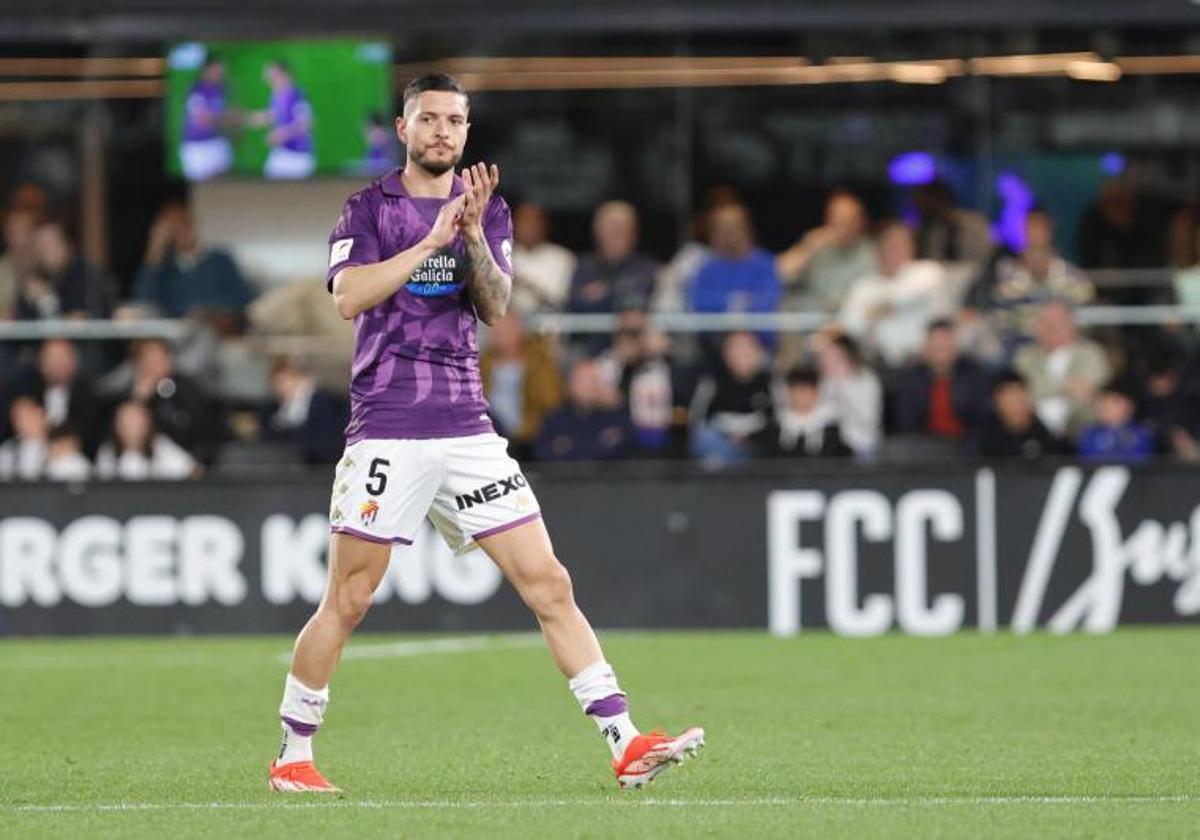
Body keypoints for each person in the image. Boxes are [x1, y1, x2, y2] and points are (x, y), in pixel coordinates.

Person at [272, 73, 703, 795]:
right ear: (405, 129)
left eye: (456, 121)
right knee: (348, 598)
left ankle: (625, 743)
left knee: (549, 583)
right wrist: (430, 240)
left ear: (467, 132)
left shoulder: (487, 211)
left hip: (467, 426)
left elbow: (496, 306)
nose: (444, 131)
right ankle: (293, 754)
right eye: (430, 119)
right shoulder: (367, 209)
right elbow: (348, 297)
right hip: (390, 426)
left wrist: (469, 234)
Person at [966, 210, 1093, 350]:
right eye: (1031, 228)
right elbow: (1001, 324)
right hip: (1020, 351)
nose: (1036, 233)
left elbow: (1085, 322)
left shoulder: (1074, 279)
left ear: (1050, 232)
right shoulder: (1006, 279)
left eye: (1040, 228)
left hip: (1066, 349)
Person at [133, 201, 255, 334]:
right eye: (172, 227)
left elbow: (244, 300)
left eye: (184, 223)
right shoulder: (164, 268)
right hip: (179, 335)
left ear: (193, 224)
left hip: (218, 332)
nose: (180, 230)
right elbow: (144, 302)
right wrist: (155, 250)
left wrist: (214, 312)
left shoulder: (220, 260)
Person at [839, 221, 948, 368]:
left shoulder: (927, 271)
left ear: (911, 248)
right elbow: (851, 323)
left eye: (899, 246)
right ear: (877, 252)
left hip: (922, 362)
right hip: (878, 362)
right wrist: (884, 309)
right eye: (888, 246)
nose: (893, 252)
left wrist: (875, 311)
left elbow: (910, 296)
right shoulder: (864, 285)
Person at [1013, 301, 1110, 439]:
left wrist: (1042, 390)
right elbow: (1020, 396)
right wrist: (1066, 386)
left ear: (1072, 324)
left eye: (1058, 321)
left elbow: (1089, 392)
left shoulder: (1091, 353)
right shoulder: (1025, 357)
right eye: (1045, 322)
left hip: (1080, 431)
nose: (1051, 327)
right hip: (1032, 432)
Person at [479, 311, 564, 461]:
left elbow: (551, 400)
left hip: (530, 435)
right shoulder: (481, 363)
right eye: (495, 331)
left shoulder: (540, 361)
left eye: (504, 330)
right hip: (491, 433)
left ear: (519, 331)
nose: (498, 335)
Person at [776, 190, 878, 314]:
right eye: (838, 219)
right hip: (813, 321)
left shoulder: (872, 252)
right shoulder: (815, 244)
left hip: (852, 323)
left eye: (850, 219)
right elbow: (779, 274)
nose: (844, 226)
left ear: (861, 221)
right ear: (828, 219)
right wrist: (807, 249)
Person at [893, 319, 991, 446]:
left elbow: (982, 419)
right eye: (936, 343)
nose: (941, 349)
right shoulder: (912, 378)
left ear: (956, 346)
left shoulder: (974, 374)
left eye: (946, 343)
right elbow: (906, 423)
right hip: (925, 449)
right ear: (926, 347)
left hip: (966, 448)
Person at [688, 331, 774, 468]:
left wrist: (749, 438)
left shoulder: (770, 382)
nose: (742, 356)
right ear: (726, 354)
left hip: (756, 447)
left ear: (758, 354)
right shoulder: (713, 380)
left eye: (747, 350)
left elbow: (776, 421)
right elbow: (699, 418)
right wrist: (728, 436)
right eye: (736, 350)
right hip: (720, 445)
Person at [7, 338, 103, 456]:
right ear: (40, 363)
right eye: (51, 358)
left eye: (62, 357)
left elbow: (92, 439)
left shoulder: (91, 399)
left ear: (74, 362)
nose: (57, 364)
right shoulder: (25, 394)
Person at [688, 204, 781, 317]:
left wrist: (737, 305)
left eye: (736, 228)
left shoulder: (764, 263)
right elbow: (699, 303)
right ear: (713, 233)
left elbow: (768, 301)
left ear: (748, 229)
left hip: (756, 332)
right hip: (718, 332)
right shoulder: (706, 268)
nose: (731, 237)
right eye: (724, 229)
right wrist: (734, 301)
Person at [567, 201, 658, 316]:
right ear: (597, 231)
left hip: (628, 332)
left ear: (634, 234)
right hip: (587, 331)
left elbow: (634, 298)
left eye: (623, 228)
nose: (617, 234)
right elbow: (575, 302)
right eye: (612, 227)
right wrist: (613, 292)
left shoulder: (644, 265)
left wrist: (605, 291)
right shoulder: (584, 264)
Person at [534, 356, 633, 462]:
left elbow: (626, 447)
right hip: (567, 476)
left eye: (594, 379)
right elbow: (542, 453)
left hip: (607, 477)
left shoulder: (616, 415)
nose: (589, 385)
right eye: (583, 380)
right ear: (569, 384)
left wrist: (569, 447)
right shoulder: (555, 419)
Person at [16, 220, 113, 320]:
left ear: (67, 245)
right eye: (41, 246)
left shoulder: (87, 275)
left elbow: (81, 320)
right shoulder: (33, 278)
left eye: (51, 244)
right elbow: (22, 320)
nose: (46, 251)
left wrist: (47, 300)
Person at [753, 366, 849, 458]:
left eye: (807, 391)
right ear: (788, 393)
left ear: (816, 393)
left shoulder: (831, 428)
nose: (802, 397)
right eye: (797, 391)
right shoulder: (775, 427)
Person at [266, 357, 348, 465]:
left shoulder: (319, 401)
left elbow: (323, 437)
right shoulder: (278, 407)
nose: (279, 389)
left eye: (282, 382)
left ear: (297, 378)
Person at [814, 332, 883, 457]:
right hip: (829, 447)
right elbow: (820, 416)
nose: (826, 362)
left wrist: (844, 386)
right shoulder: (825, 382)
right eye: (825, 357)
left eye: (834, 357)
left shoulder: (866, 380)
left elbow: (869, 420)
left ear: (847, 358)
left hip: (862, 446)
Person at [96, 399, 197, 480]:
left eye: (136, 420)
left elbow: (194, 471)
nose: (131, 426)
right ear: (116, 425)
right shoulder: (108, 451)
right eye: (126, 420)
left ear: (147, 423)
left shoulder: (161, 446)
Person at [248, 59, 315, 180]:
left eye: (273, 76)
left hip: (297, 157)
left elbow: (305, 124)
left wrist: (282, 133)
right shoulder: (277, 94)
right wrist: (259, 118)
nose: (269, 80)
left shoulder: (298, 95)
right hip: (281, 153)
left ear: (286, 75)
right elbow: (276, 115)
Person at [978, 370, 1069, 459]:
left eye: (1020, 397)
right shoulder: (984, 442)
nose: (1018, 405)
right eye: (1010, 400)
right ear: (997, 403)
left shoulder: (1048, 437)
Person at [509, 202, 575, 314]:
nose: (528, 228)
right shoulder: (501, 256)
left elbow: (559, 298)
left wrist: (525, 284)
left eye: (533, 223)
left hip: (550, 324)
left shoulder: (561, 257)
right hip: (510, 324)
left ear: (544, 226)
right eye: (523, 223)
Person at [910, 180, 993, 264]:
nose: (919, 207)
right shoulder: (924, 230)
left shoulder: (974, 224)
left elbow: (985, 257)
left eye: (923, 201)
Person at [180, 55, 233, 181]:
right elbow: (201, 118)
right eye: (217, 70)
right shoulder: (196, 90)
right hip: (197, 147)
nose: (220, 73)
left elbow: (220, 115)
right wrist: (230, 117)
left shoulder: (221, 88)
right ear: (206, 70)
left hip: (216, 142)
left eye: (222, 70)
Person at [1076, 380, 1156, 464]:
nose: (1104, 406)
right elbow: (1087, 459)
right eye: (1103, 402)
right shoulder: (1090, 433)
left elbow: (1141, 460)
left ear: (1129, 406)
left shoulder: (1142, 433)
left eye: (1114, 401)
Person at [0, 394, 48, 480]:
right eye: (16, 418)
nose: (20, 423)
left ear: (40, 414)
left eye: (25, 416)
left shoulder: (59, 445)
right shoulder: (8, 450)